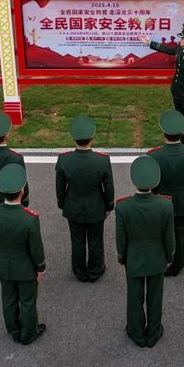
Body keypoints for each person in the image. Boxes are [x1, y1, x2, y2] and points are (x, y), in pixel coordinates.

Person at [0, 164, 47, 344]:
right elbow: (36, 248)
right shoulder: (29, 218)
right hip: (25, 268)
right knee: (27, 302)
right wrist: (40, 267)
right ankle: (28, 334)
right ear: (22, 190)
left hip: (3, 263)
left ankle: (14, 330)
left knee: (8, 300)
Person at [115, 155, 176, 348]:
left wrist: (122, 258)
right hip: (157, 256)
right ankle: (153, 332)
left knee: (134, 297)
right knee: (155, 297)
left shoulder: (123, 206)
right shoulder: (166, 205)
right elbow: (169, 237)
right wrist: (169, 256)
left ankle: (136, 332)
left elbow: (121, 238)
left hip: (133, 257)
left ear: (134, 181)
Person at [55, 114, 115, 282]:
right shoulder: (102, 161)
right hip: (96, 207)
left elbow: (60, 188)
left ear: (73, 139)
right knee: (96, 240)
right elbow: (108, 187)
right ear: (92, 138)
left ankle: (79, 270)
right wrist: (109, 206)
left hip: (73, 206)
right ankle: (95, 270)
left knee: (77, 241)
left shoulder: (64, 160)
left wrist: (63, 204)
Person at [147, 109, 184, 277]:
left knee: (161, 233)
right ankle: (177, 263)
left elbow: (150, 181)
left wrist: (154, 197)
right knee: (180, 234)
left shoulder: (154, 155)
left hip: (160, 201)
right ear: (183, 133)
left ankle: (164, 262)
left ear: (163, 132)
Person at [138, 24, 184, 144]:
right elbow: (166, 49)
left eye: (183, 38)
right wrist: (149, 42)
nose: (180, 40)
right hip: (177, 91)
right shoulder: (180, 49)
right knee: (179, 116)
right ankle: (180, 139)